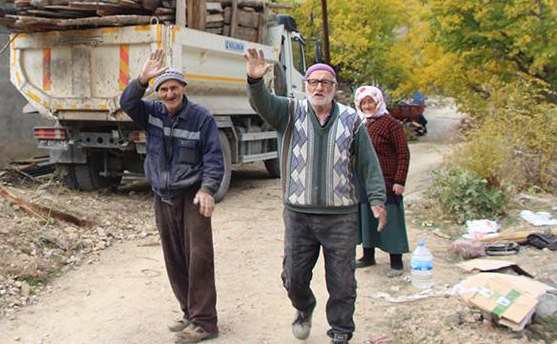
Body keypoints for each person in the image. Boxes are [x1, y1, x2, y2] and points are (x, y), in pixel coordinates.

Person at [243, 50, 387, 344]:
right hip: (299, 215)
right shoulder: (289, 112)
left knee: (342, 280)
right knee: (293, 278)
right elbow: (262, 103)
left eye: (325, 82)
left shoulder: (352, 120)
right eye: (313, 82)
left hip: (341, 217)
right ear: (305, 85)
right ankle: (304, 306)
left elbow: (369, 163)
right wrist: (255, 80)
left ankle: (341, 330)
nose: (319, 87)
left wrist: (377, 199)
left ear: (335, 88)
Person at [119, 49, 222, 343]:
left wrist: (207, 189)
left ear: (183, 88)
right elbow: (126, 102)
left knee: (199, 257)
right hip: (162, 195)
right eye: (162, 89)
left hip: (192, 195)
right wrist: (141, 79)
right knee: (174, 257)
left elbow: (214, 158)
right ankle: (190, 313)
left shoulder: (201, 117)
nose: (168, 93)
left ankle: (205, 322)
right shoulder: (151, 113)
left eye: (173, 87)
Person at [354, 86, 411, 277]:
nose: (367, 106)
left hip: (387, 181)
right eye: (363, 103)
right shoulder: (360, 124)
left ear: (378, 102)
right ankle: (368, 255)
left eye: (371, 102)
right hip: (364, 181)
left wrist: (399, 180)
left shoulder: (391, 124)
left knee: (390, 219)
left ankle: (396, 260)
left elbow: (403, 152)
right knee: (367, 217)